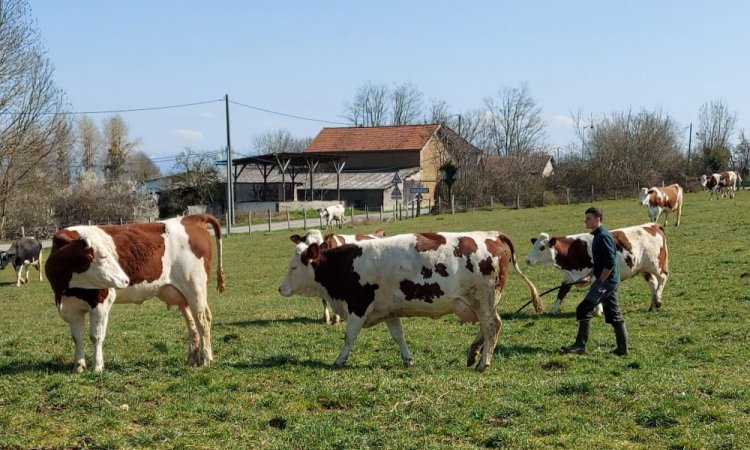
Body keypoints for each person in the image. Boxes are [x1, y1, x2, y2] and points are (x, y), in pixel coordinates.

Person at [561, 207, 628, 356]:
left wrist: (600, 281)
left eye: (589, 218)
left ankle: (580, 345)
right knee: (614, 314)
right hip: (607, 281)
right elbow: (599, 262)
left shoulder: (603, 236)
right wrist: (589, 276)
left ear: (598, 219)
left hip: (607, 282)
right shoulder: (598, 236)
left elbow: (610, 263)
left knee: (583, 308)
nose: (585, 221)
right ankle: (622, 350)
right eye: (586, 218)